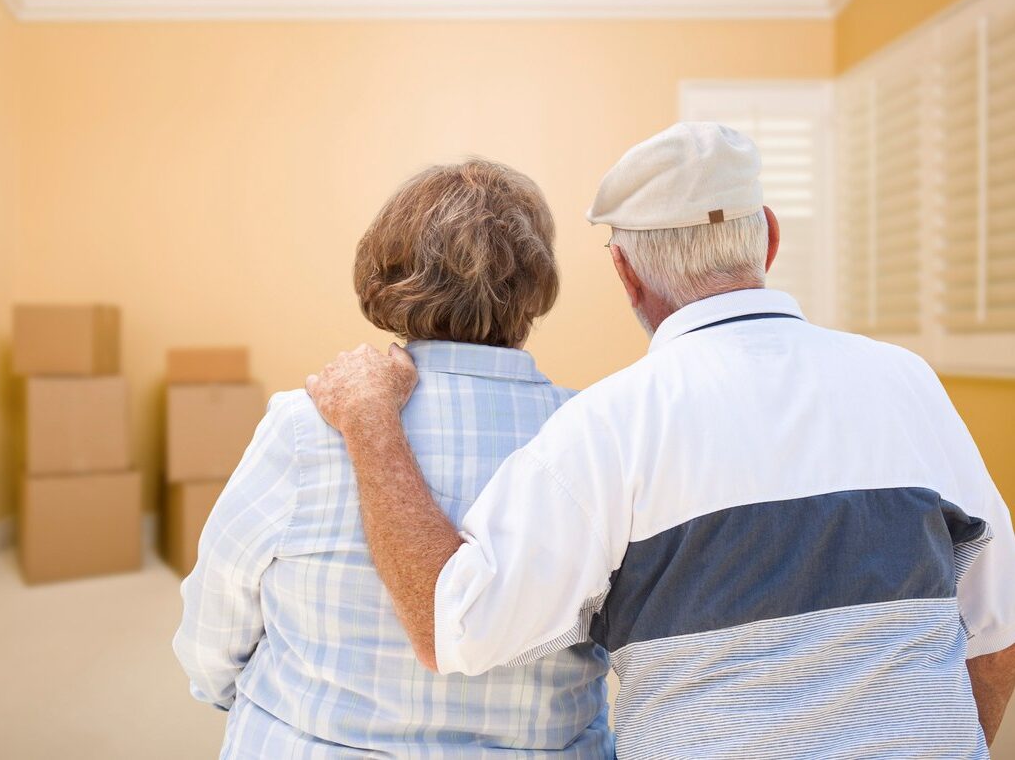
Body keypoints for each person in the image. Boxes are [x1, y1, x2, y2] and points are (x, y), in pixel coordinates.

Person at [305, 123, 1015, 758]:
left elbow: (451, 626)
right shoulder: (905, 382)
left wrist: (370, 420)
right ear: (767, 236)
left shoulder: (610, 424)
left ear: (624, 273)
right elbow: (994, 643)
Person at [173, 160, 613, 758]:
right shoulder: (596, 434)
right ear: (536, 284)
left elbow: (217, 614)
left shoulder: (307, 424)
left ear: (386, 271)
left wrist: (242, 701)